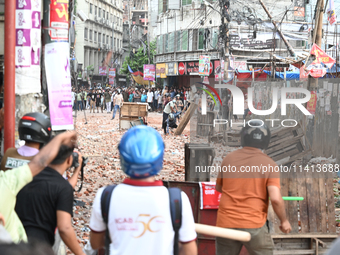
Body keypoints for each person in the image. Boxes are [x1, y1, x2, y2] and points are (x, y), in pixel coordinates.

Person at [89, 126, 197, 255]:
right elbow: (190, 251)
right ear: (160, 157)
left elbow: (95, 243)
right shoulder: (177, 200)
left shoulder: (106, 196)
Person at [215, 120, 291, 255]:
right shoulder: (269, 164)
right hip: (254, 224)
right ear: (266, 140)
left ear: (243, 137)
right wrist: (284, 221)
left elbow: (220, 188)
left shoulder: (229, 159)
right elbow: (276, 199)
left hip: (226, 223)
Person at [0, 131, 77, 244]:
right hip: (19, 247)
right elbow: (39, 162)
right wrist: (62, 137)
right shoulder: (6, 182)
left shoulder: (10, 173)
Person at [15, 145, 85, 255]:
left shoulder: (26, 176)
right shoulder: (62, 187)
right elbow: (64, 228)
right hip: (39, 247)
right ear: (69, 159)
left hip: (15, 243)